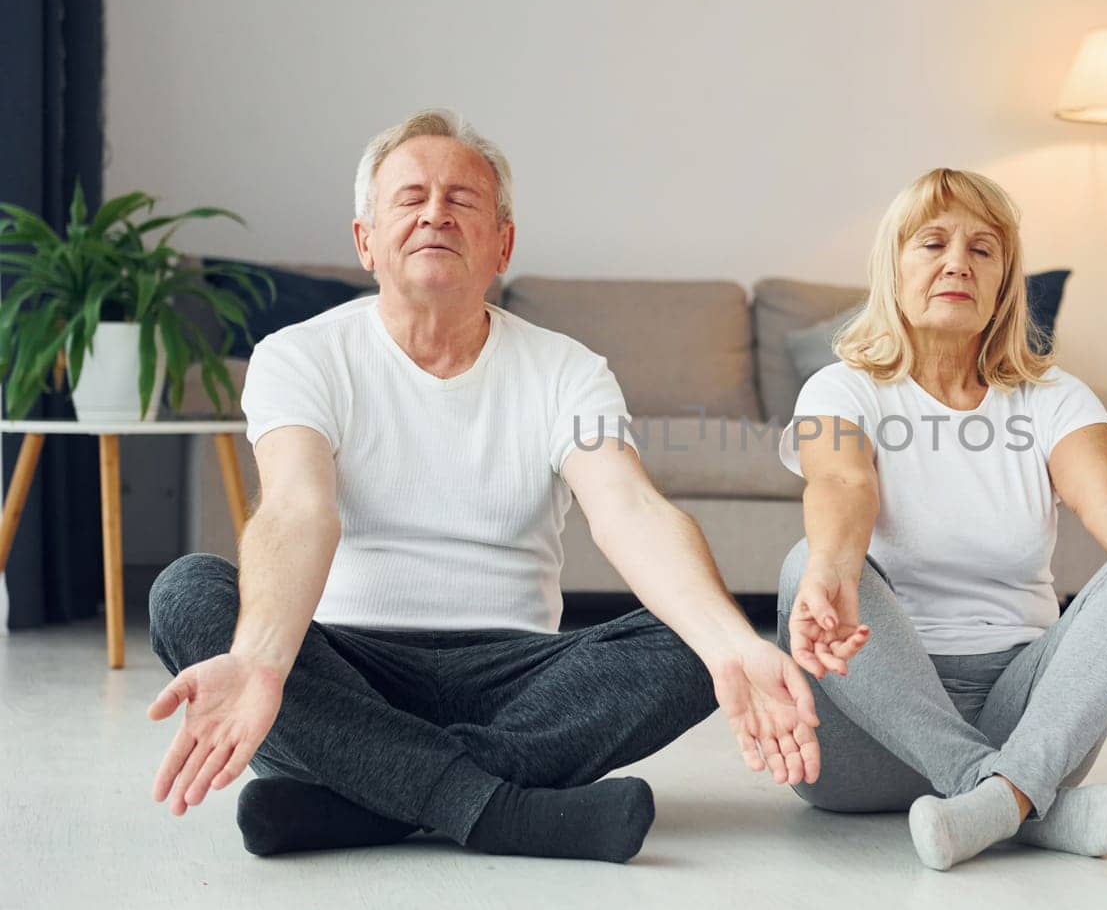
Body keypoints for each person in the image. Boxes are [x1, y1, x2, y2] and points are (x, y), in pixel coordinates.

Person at [146, 109, 860, 862]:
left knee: (696, 638)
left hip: (518, 679)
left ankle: (364, 801)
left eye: (462, 199)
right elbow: (297, 507)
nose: (435, 212)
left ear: (502, 244)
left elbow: (627, 507)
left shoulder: (568, 370)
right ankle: (500, 810)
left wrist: (727, 645)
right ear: (365, 241)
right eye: (410, 196)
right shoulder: (300, 356)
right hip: (345, 667)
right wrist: (260, 661)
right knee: (189, 592)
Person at [776, 167, 1107, 871]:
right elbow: (842, 481)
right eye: (933, 243)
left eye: (982, 248)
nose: (958, 262)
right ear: (894, 267)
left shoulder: (1052, 398)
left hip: (1026, 717)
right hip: (867, 741)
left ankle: (993, 798)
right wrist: (830, 567)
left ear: (1005, 278)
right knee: (804, 561)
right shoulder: (840, 388)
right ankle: (1019, 800)